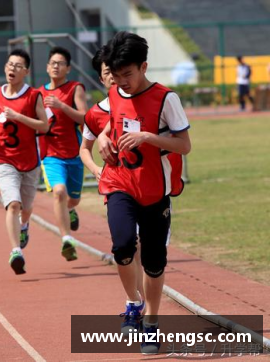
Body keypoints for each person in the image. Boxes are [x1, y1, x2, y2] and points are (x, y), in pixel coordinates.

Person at [96, 32, 191, 354]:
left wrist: (150, 138)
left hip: (155, 191)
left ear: (144, 66)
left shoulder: (167, 99)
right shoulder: (114, 93)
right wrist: (102, 140)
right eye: (117, 75)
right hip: (120, 182)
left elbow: (185, 145)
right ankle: (134, 304)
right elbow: (109, 125)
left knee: (153, 262)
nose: (122, 82)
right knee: (122, 246)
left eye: (128, 74)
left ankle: (151, 322)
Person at [80, 45, 144, 301]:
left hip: (146, 182)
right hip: (116, 183)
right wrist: (96, 169)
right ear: (101, 77)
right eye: (108, 72)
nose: (113, 76)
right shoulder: (95, 113)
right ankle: (135, 299)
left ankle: (142, 298)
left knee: (146, 247)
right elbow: (84, 148)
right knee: (129, 242)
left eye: (117, 71)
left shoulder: (140, 100)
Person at [0, 49, 49, 275]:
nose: (12, 68)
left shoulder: (33, 95)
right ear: (5, 67)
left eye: (18, 66)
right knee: (13, 204)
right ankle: (15, 251)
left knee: (26, 208)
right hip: (4, 159)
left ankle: (24, 225)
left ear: (26, 71)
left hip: (29, 161)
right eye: (10, 64)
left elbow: (44, 125)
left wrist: (18, 117)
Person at [38, 46, 88, 262]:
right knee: (58, 192)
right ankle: (67, 239)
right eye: (52, 63)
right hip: (50, 154)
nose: (56, 66)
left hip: (74, 154)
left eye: (60, 63)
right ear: (47, 67)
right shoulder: (38, 93)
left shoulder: (75, 88)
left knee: (73, 200)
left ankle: (70, 210)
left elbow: (85, 118)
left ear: (68, 68)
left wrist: (61, 106)